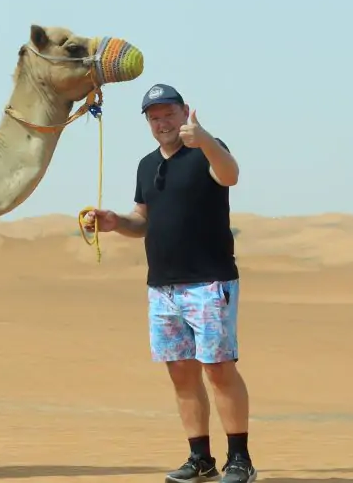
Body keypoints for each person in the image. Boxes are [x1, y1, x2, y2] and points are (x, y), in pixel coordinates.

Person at [81, 83, 257, 483]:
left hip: (209, 282)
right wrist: (114, 223)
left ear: (185, 112)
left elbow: (230, 175)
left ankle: (240, 460)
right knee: (180, 371)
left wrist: (206, 139)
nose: (162, 123)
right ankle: (200, 458)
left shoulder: (206, 151)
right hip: (162, 287)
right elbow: (142, 220)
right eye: (154, 117)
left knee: (218, 368)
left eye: (169, 114)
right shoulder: (146, 165)